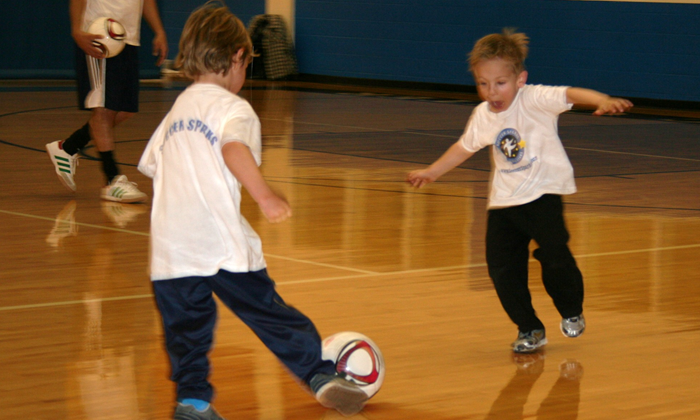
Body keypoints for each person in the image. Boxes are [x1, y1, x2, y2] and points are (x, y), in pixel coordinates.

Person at [137, 3, 368, 419]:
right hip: (219, 242)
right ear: (237, 58)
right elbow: (232, 148)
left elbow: (152, 164)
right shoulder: (233, 109)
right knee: (269, 313)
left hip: (171, 251)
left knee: (186, 334)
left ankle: (192, 403)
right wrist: (264, 195)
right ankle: (319, 375)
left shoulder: (177, 112)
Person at [407, 29, 633, 354]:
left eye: (500, 83)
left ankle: (571, 309)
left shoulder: (535, 99)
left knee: (555, 258)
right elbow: (463, 147)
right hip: (504, 202)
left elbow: (571, 93)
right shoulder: (482, 115)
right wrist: (431, 172)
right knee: (501, 269)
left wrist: (603, 100)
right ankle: (530, 328)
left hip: (543, 195)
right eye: (483, 83)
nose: (491, 91)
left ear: (520, 79)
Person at [46, 0, 168, 203]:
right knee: (103, 110)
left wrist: (159, 30)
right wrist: (77, 31)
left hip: (127, 38)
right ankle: (112, 179)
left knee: (125, 111)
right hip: (100, 36)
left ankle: (68, 147)